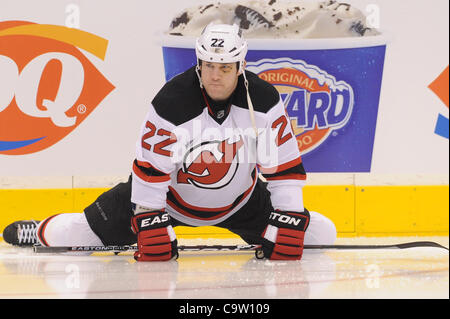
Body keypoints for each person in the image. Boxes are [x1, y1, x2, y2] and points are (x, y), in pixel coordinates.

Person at [3, 23, 336, 261]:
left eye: (224, 67)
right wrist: (149, 217)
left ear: (241, 66)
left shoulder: (262, 100)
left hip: (241, 203)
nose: (215, 75)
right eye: (208, 66)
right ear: (199, 64)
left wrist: (289, 215)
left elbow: (283, 166)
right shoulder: (173, 100)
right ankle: (42, 229)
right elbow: (149, 169)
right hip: (170, 201)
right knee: (71, 237)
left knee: (323, 235)